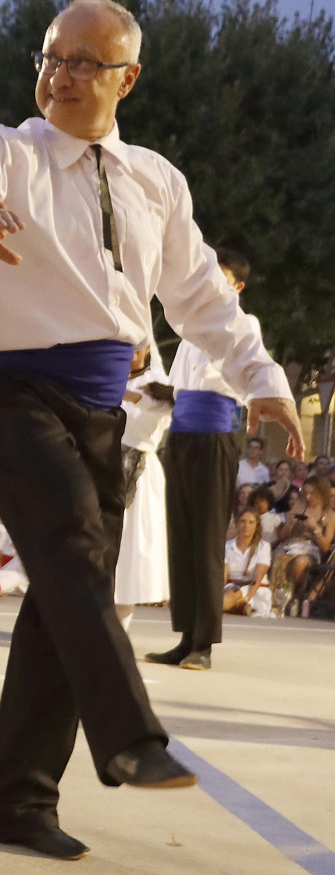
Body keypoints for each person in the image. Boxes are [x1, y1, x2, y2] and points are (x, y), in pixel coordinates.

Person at [0, 0, 302, 860]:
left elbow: (201, 298)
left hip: (101, 413)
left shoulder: (157, 180)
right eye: (51, 57)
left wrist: (263, 381)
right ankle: (129, 738)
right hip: (9, 394)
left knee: (63, 595)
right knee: (74, 548)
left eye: (84, 62)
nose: (61, 76)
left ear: (128, 78)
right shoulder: (8, 153)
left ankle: (20, 801)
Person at [146, 250, 269, 671]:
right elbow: (179, 385)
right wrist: (162, 392)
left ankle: (204, 643)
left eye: (221, 277)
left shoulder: (243, 324)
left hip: (216, 433)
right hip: (181, 434)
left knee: (206, 536)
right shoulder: (189, 329)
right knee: (181, 536)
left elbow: (229, 377)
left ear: (238, 286)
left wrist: (181, 393)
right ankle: (185, 636)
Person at [114, 342, 172, 632]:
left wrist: (125, 393)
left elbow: (162, 406)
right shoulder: (110, 375)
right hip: (103, 464)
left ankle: (119, 628)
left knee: (130, 550)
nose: (130, 354)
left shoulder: (157, 384)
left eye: (136, 349)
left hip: (139, 472)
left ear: (147, 350)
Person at [271, 475, 335, 603]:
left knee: (300, 562)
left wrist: (315, 528)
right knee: (279, 558)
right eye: (306, 492)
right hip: (290, 546)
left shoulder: (329, 515)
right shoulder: (299, 506)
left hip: (310, 551)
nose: (308, 497)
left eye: (312, 493)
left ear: (321, 493)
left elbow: (325, 547)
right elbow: (283, 536)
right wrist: (289, 524)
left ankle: (292, 597)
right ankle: (276, 597)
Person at [223, 510, 272, 617]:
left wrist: (247, 598)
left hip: (254, 589)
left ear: (256, 526)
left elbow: (258, 578)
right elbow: (223, 575)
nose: (246, 526)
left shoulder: (263, 546)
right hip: (232, 587)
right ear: (237, 524)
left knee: (234, 595)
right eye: (243, 521)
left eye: (251, 522)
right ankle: (236, 607)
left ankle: (237, 606)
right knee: (231, 593)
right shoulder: (227, 546)